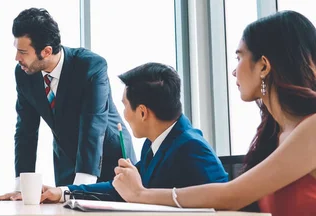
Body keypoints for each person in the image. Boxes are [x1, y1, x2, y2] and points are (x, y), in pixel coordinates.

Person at [111, 11, 316, 216]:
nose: (234, 71)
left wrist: (141, 194)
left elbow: (232, 196)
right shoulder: (273, 136)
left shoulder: (313, 129)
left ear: (263, 66)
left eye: (239, 57)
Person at [0, 8, 135, 201]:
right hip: (66, 159)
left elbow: (93, 127)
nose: (17, 58)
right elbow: (25, 130)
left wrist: (81, 189)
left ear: (47, 51)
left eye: (23, 52)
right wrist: (22, 187)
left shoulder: (91, 67)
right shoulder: (24, 73)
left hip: (107, 159)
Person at [38, 63, 228, 203]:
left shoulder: (191, 147)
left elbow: (224, 200)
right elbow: (121, 189)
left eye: (125, 106)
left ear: (143, 112)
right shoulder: (155, 142)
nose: (124, 115)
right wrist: (63, 192)